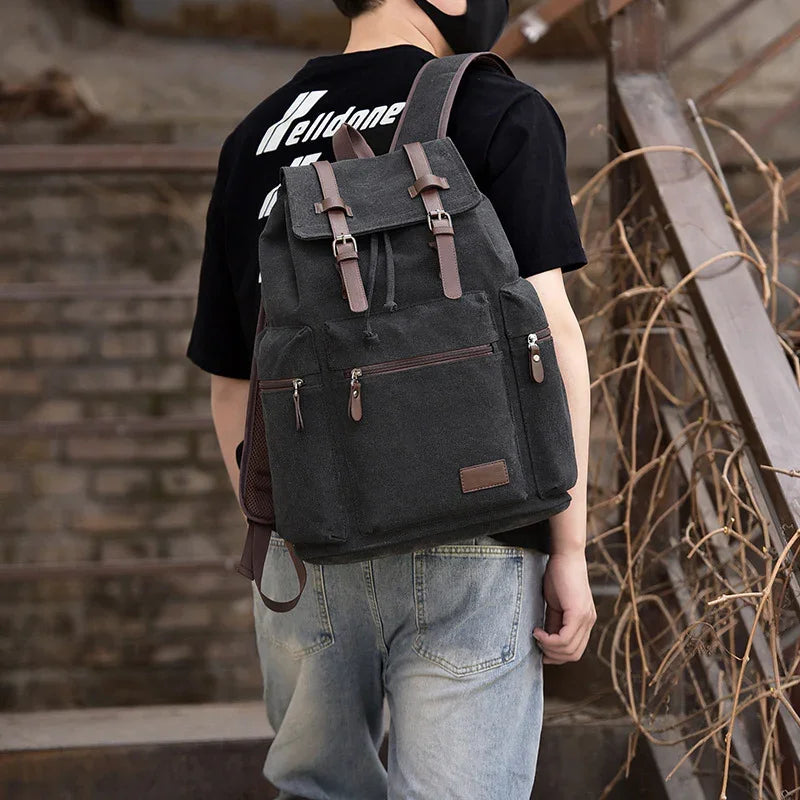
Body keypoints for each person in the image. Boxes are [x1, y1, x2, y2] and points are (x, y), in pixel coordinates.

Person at [187, 1, 596, 797]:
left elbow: (231, 383)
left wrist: (285, 523)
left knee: (317, 788)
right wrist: (570, 549)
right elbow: (554, 340)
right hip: (481, 531)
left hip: (308, 550)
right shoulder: (501, 110)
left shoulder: (254, 140)